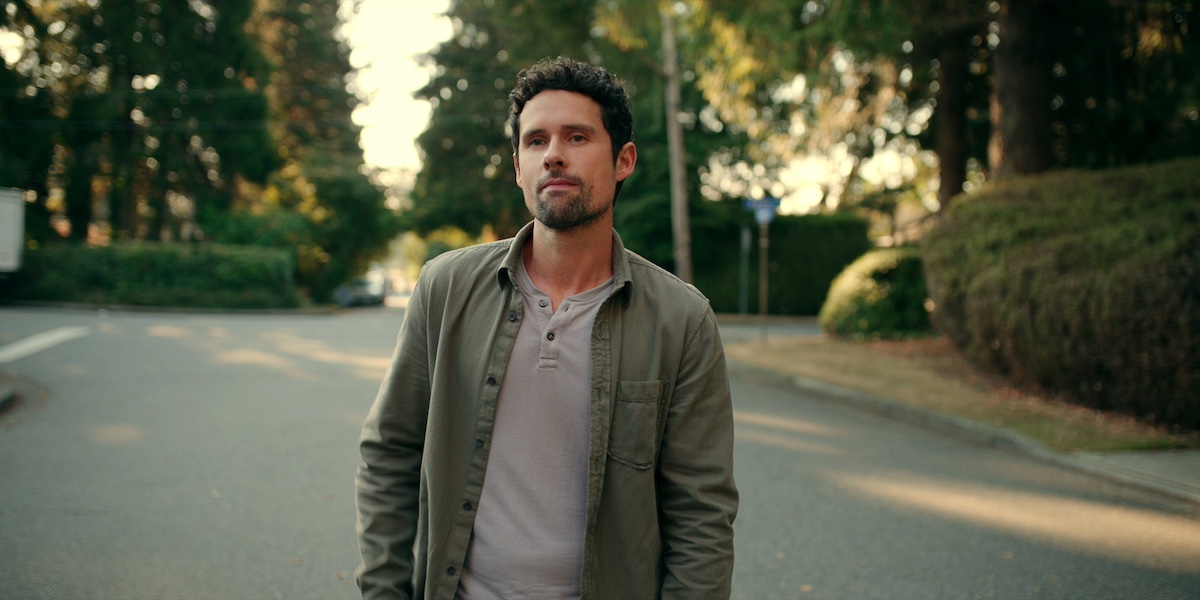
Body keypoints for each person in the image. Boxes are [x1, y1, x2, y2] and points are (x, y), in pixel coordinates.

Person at [354, 56, 738, 600]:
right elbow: (390, 451)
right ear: (518, 168)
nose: (553, 154)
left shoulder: (681, 321)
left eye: (577, 136)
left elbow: (701, 513)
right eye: (535, 142)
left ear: (623, 159)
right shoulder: (445, 288)